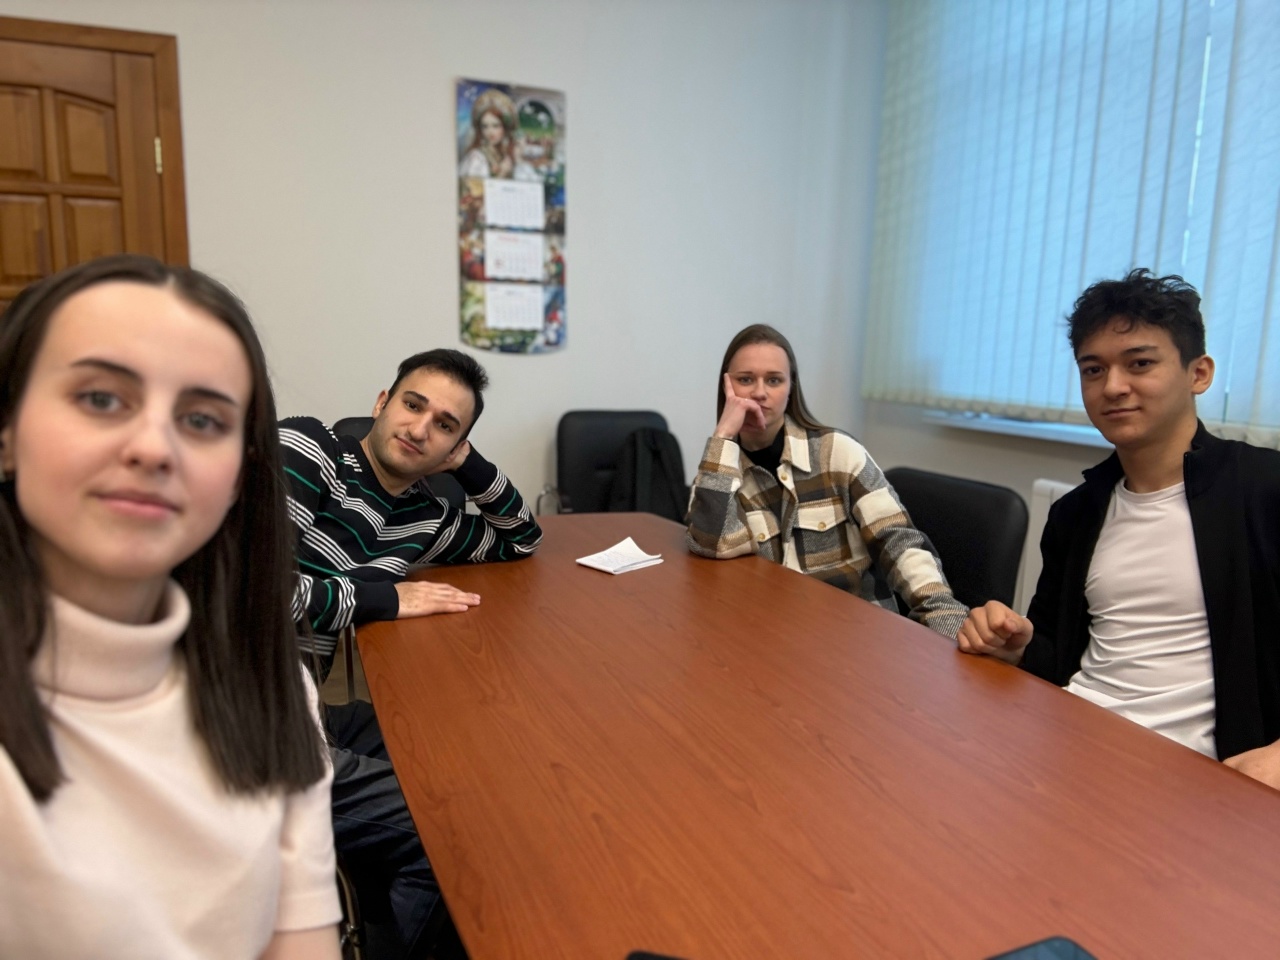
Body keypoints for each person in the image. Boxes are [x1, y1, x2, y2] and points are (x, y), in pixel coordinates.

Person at [0, 256, 340, 958]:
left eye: (202, 420)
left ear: (241, 476)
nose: (155, 448)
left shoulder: (270, 682)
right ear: (7, 430)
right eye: (101, 398)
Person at [958, 269, 1280, 789]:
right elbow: (1056, 656)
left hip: (1193, 782)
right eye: (1093, 369)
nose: (1112, 387)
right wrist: (1013, 644)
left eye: (1140, 363)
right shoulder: (1077, 512)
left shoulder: (1263, 489)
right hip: (1068, 744)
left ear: (1198, 373)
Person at [280, 348, 542, 958]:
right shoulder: (309, 450)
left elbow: (522, 538)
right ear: (381, 402)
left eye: (445, 426)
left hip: (302, 706)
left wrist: (471, 466)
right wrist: (385, 598)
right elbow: (252, 592)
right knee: (450, 829)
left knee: (452, 751)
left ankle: (381, 900)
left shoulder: (425, 515)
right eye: (412, 404)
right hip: (240, 721)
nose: (420, 429)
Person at [686, 323, 968, 639]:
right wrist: (723, 436)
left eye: (774, 380)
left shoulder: (837, 452)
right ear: (726, 387)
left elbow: (897, 540)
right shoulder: (719, 471)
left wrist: (948, 623)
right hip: (769, 636)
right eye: (745, 379)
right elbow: (712, 546)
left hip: (855, 636)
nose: (760, 392)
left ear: (791, 389)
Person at [458, 87, 518, 179]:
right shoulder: (476, 158)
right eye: (485, 126)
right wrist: (502, 173)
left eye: (496, 126)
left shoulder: (506, 155)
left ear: (505, 128)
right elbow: (474, 187)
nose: (490, 132)